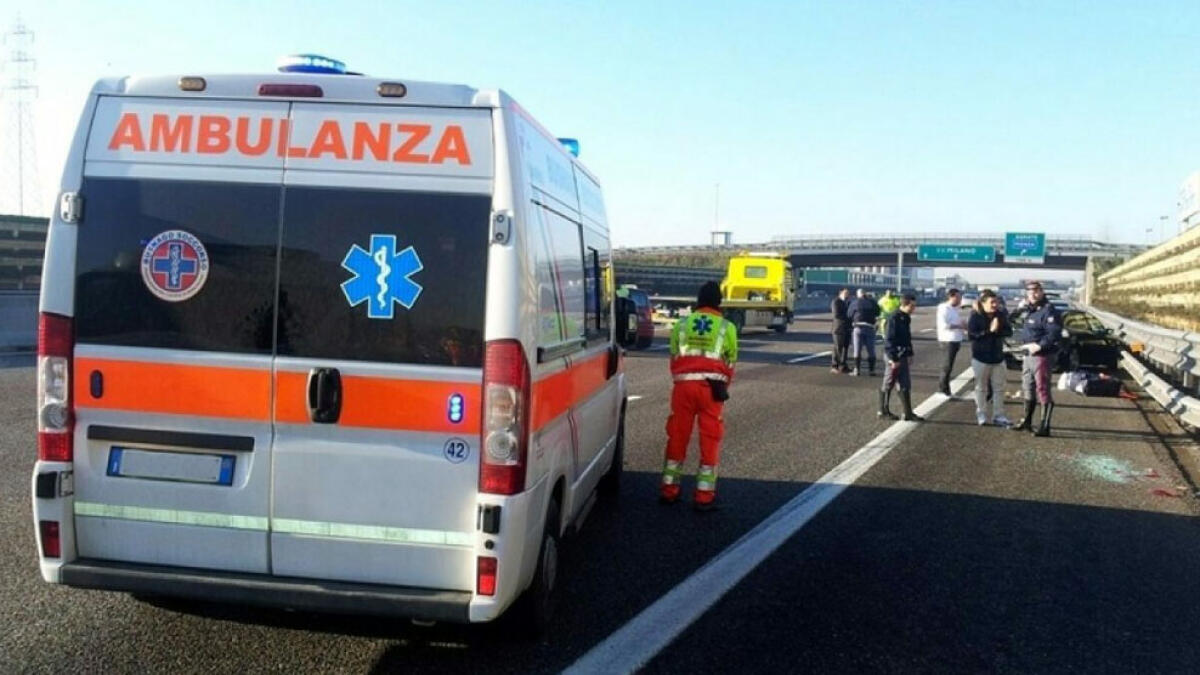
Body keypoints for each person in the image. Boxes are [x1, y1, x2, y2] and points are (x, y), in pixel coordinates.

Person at [661, 281, 739, 511]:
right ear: (719, 301)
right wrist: (722, 386)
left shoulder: (682, 324)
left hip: (683, 387)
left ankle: (669, 490)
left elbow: (674, 355)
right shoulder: (727, 327)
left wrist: (683, 377)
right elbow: (730, 362)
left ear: (698, 300)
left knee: (677, 436)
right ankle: (704, 496)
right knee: (710, 439)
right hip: (711, 390)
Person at [1010, 281, 1061, 437]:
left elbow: (1054, 333)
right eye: (1029, 291)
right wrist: (1019, 308)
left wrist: (1040, 345)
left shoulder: (1048, 311)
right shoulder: (1029, 310)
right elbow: (1010, 320)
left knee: (1042, 388)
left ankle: (1045, 426)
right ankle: (1027, 421)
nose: (1032, 294)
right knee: (1028, 387)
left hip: (1041, 355)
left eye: (1036, 291)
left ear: (1042, 292)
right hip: (1028, 354)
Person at [966, 290, 1012, 426]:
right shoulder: (976, 316)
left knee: (999, 388)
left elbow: (1009, 331)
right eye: (992, 302)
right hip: (981, 357)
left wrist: (998, 330)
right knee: (981, 388)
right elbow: (972, 335)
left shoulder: (1000, 315)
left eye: (996, 302)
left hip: (998, 357)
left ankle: (999, 415)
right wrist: (989, 331)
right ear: (983, 303)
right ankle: (981, 413)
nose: (995, 305)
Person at [878, 294, 923, 422]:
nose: (914, 309)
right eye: (912, 306)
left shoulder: (906, 317)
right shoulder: (893, 318)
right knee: (889, 382)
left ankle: (907, 412)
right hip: (894, 355)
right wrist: (893, 358)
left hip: (903, 354)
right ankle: (883, 410)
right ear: (905, 304)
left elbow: (907, 337)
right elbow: (889, 339)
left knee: (905, 383)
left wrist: (910, 353)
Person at [935, 288, 967, 396]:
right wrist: (959, 326)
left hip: (956, 339)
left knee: (949, 365)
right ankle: (943, 388)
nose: (959, 299)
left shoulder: (956, 309)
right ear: (951, 297)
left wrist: (963, 327)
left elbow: (956, 322)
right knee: (947, 365)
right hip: (948, 340)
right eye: (957, 297)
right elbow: (944, 325)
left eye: (960, 297)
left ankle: (945, 387)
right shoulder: (944, 308)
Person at [850, 289, 880, 376]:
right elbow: (878, 312)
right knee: (871, 350)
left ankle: (857, 370)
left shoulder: (855, 302)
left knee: (857, 349)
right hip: (870, 327)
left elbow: (849, 314)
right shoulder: (872, 302)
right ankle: (872, 370)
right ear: (865, 294)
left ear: (858, 295)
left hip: (858, 327)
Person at [830, 288, 852, 373]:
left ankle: (843, 365)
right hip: (839, 328)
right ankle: (834, 365)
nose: (847, 295)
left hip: (847, 328)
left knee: (846, 348)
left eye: (848, 293)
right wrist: (848, 317)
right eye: (845, 293)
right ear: (840, 293)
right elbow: (836, 314)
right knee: (838, 348)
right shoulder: (836, 302)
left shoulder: (848, 302)